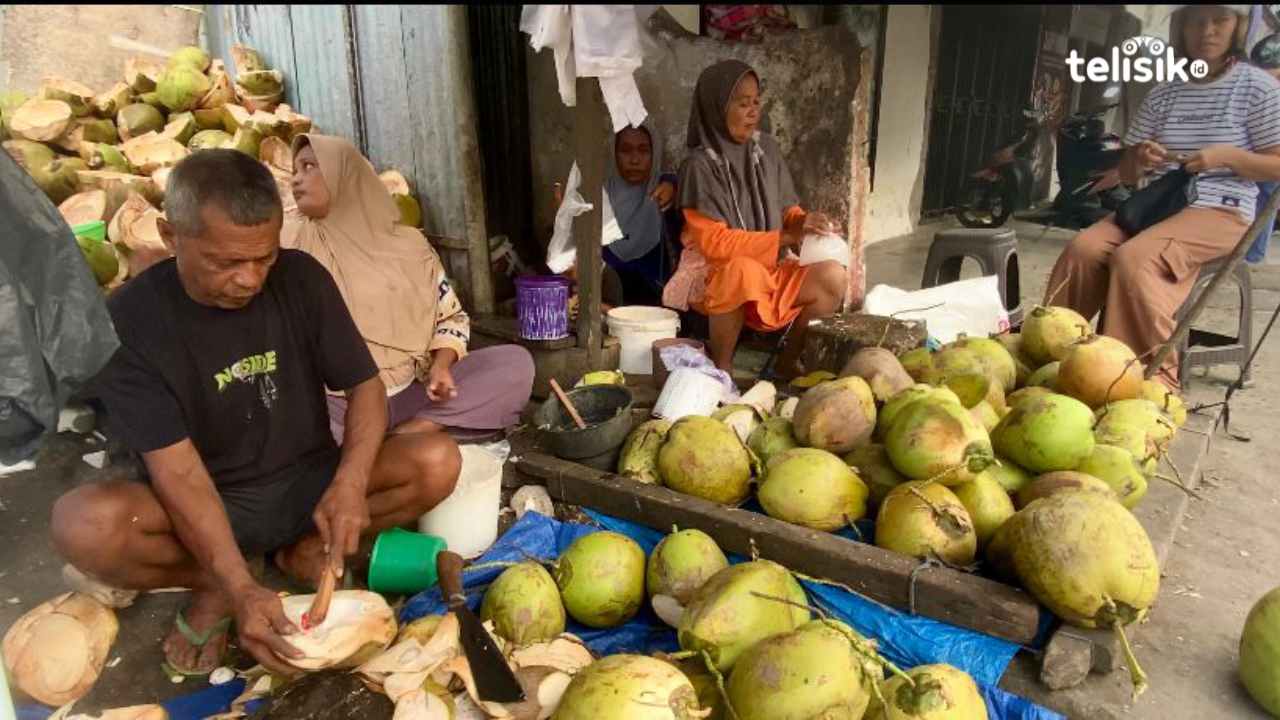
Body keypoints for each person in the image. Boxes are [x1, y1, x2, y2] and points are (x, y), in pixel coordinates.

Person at [51, 150, 462, 677]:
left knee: (436, 459)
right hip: (194, 504)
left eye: (263, 258)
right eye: (226, 263)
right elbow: (177, 471)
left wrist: (351, 484)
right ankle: (220, 576)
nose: (249, 279)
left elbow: (364, 387)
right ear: (170, 235)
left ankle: (301, 548)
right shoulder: (130, 321)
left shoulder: (300, 278)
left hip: (304, 485)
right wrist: (238, 588)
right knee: (84, 524)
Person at [1045, 4, 1280, 389]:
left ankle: (1144, 383)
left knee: (1135, 259)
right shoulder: (1165, 93)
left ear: (1237, 26)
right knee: (1083, 249)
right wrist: (1138, 157)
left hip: (1222, 210)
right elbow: (1128, 170)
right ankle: (1053, 358)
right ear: (1181, 28)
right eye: (1196, 21)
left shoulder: (1259, 89)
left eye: (1219, 20)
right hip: (1157, 205)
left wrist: (1229, 157)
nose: (1207, 30)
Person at [282, 134, 535, 442]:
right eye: (295, 170)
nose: (297, 180)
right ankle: (387, 445)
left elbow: (450, 317)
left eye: (309, 167)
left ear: (346, 175)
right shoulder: (286, 243)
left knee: (514, 364)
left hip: (411, 395)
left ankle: (414, 431)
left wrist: (441, 367)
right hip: (339, 406)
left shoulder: (410, 246)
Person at [662, 59, 847, 378]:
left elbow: (787, 209)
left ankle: (788, 362)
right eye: (742, 103)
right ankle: (723, 372)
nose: (753, 111)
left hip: (769, 268)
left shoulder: (767, 149)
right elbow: (715, 245)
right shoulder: (698, 166)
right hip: (713, 275)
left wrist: (807, 224)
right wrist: (785, 238)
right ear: (717, 108)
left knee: (833, 275)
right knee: (740, 270)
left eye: (756, 102)